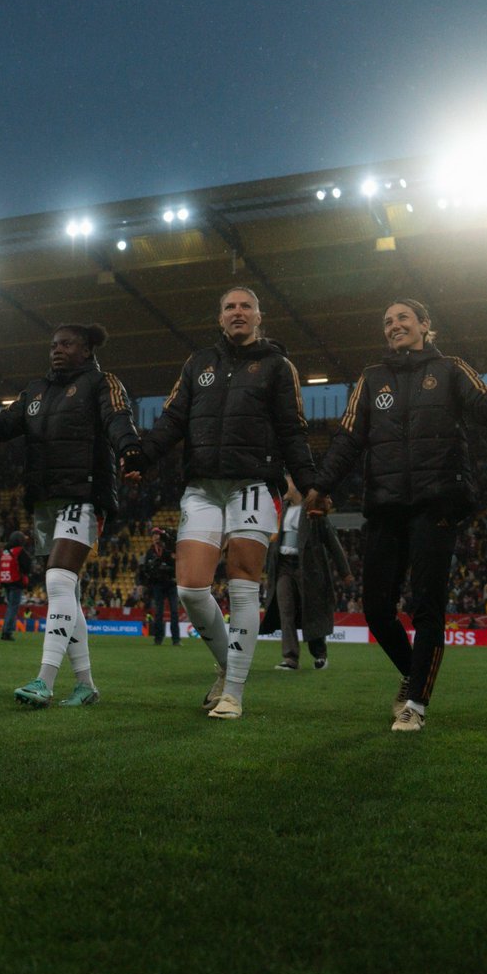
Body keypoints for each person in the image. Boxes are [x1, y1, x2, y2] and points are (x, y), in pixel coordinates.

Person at [306, 298, 487, 731]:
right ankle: (412, 674)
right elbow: (347, 439)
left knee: (426, 606)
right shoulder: (370, 378)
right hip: (386, 504)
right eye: (387, 321)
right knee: (377, 608)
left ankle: (416, 704)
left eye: (402, 318)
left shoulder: (451, 368)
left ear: (424, 325)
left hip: (437, 500)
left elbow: (484, 411)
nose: (394, 325)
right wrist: (320, 486)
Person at [142, 286, 315, 720]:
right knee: (191, 587)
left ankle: (233, 692)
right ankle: (228, 664)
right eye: (229, 307)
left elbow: (293, 429)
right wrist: (142, 455)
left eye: (245, 306)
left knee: (242, 582)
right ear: (220, 318)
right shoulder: (198, 363)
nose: (237, 313)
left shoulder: (278, 366)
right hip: (202, 485)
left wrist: (312, 483)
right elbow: (173, 418)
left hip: (254, 483)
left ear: (259, 316)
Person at [0, 322, 144, 707]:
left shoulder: (102, 383)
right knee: (66, 592)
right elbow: (5, 425)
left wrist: (130, 449)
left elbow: (118, 419)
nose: (57, 350)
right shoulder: (35, 391)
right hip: (44, 499)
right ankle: (86, 684)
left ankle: (44, 680)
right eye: (54, 344)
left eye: (67, 344)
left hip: (85, 491)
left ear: (87, 349)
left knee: (57, 581)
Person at [261, 477, 353, 670]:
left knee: (312, 611)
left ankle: (320, 654)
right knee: (285, 612)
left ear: (296, 486)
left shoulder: (313, 509)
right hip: (284, 567)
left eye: (287, 483)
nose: (284, 488)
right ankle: (290, 658)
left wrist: (346, 573)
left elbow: (332, 542)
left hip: (308, 569)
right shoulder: (280, 510)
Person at [138, 527, 181, 645]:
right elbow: (145, 569)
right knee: (158, 613)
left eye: (157, 535)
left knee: (174, 612)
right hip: (157, 584)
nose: (156, 537)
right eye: (154, 535)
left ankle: (176, 640)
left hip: (171, 583)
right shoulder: (150, 552)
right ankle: (158, 639)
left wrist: (168, 567)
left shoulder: (169, 549)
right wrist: (142, 584)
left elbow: (177, 564)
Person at [0, 530, 33, 640]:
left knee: (10, 607)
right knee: (13, 608)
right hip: (16, 582)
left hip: (6, 582)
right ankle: (7, 632)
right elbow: (27, 566)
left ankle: (6, 631)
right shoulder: (19, 551)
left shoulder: (4, 551)